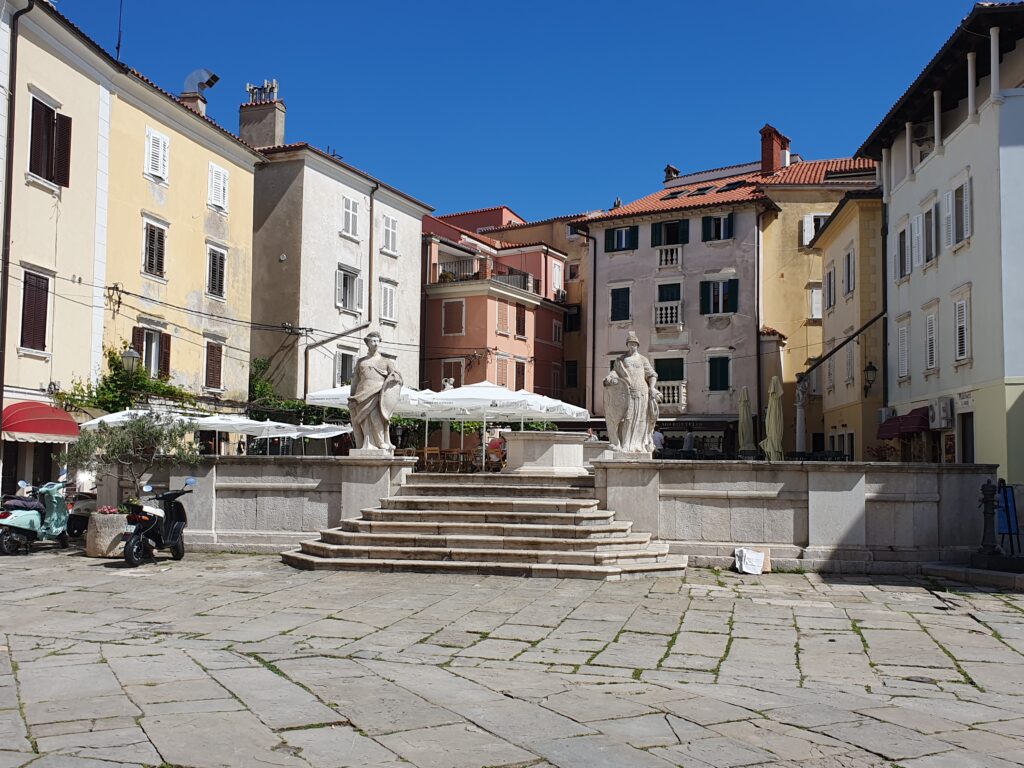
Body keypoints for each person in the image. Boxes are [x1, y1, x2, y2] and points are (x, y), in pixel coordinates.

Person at [603, 331, 662, 453]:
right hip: (627, 392)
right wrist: (610, 377)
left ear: (637, 345)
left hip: (642, 392)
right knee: (628, 419)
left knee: (641, 419)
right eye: (630, 344)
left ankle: (638, 446)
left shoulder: (643, 359)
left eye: (634, 344)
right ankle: (626, 445)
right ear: (627, 345)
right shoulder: (622, 359)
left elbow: (652, 374)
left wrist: (652, 388)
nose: (632, 346)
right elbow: (615, 372)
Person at [348, 332, 403, 450]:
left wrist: (389, 376)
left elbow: (398, 378)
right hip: (361, 393)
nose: (375, 343)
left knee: (376, 417)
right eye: (373, 341)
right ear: (367, 343)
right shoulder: (361, 362)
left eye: (377, 341)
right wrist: (351, 396)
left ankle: (380, 442)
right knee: (364, 419)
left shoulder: (386, 361)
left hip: (378, 392)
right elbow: (355, 380)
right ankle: (367, 443)